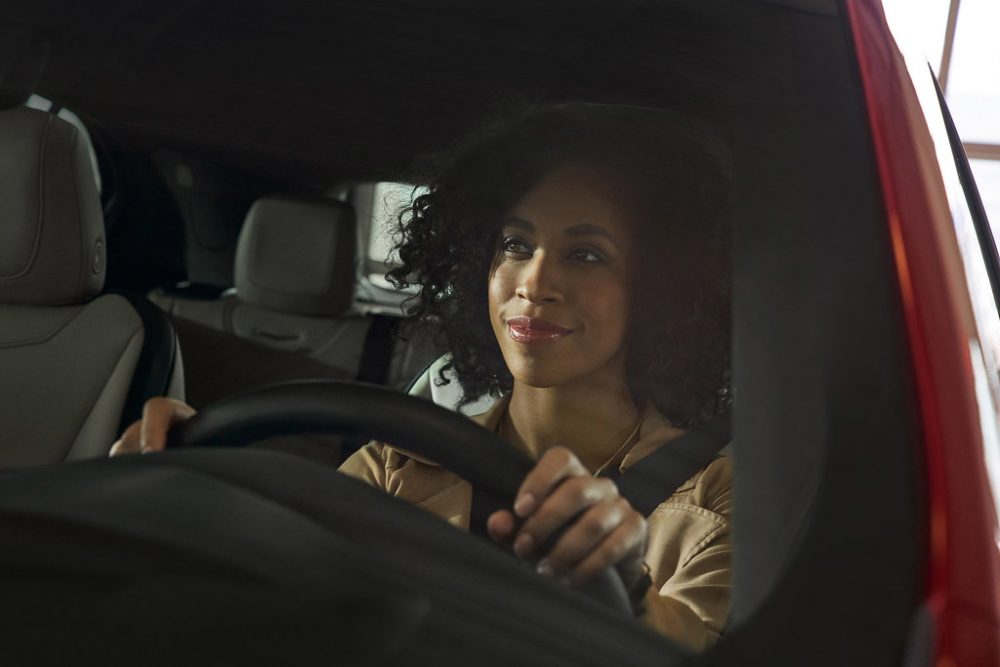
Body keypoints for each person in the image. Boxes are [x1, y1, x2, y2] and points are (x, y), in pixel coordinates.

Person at [111, 103, 732, 651]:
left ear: (662, 288)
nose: (533, 284)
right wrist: (193, 490)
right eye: (515, 245)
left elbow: (707, 641)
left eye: (585, 254)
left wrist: (623, 586)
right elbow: (287, 589)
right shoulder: (397, 461)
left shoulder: (719, 493)